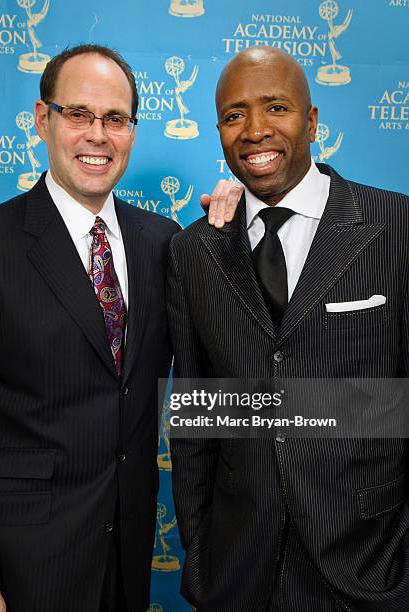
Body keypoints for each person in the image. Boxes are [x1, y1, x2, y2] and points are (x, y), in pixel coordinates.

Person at [0, 44, 242, 612]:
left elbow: (223, 348)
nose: (98, 135)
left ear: (132, 132)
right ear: (43, 120)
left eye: (115, 119)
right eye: (79, 115)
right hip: (18, 577)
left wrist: (240, 226)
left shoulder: (163, 242)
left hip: (129, 563)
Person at [168, 47, 409, 611]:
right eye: (233, 115)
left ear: (312, 121)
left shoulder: (396, 228)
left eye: (275, 107)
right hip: (238, 574)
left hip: (373, 569)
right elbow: (197, 421)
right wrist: (202, 554)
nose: (255, 131)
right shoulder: (191, 251)